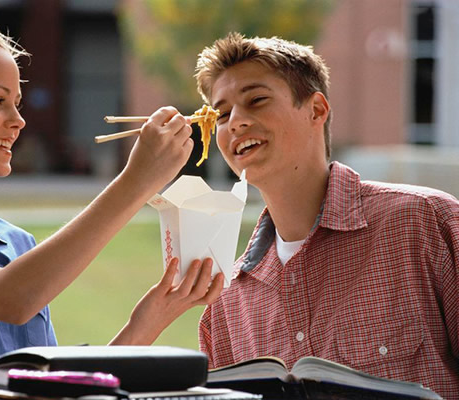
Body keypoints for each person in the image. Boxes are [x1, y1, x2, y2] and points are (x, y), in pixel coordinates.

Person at [0, 3, 224, 399]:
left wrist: (150, 319)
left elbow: (53, 391)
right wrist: (135, 182)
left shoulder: (16, 247)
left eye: (17, 101)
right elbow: (9, 298)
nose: (18, 120)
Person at [193, 32, 459, 398]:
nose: (236, 122)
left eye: (256, 100)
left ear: (316, 109)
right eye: (222, 114)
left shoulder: (426, 222)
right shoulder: (226, 304)